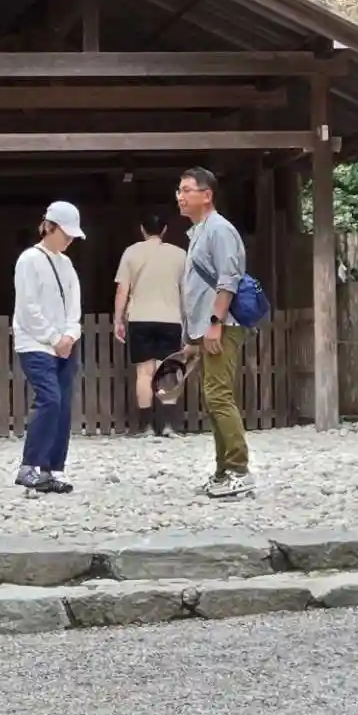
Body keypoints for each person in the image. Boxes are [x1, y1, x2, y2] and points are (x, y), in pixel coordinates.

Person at [176, 167, 252, 498]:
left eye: (186, 190)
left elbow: (228, 279)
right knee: (213, 398)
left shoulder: (219, 230)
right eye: (179, 190)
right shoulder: (200, 232)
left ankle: (239, 470)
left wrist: (215, 323)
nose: (180, 196)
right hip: (208, 328)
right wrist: (194, 337)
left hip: (222, 325)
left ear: (206, 195)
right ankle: (223, 472)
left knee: (219, 396)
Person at [13, 200, 84, 494]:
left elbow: (74, 305)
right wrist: (55, 338)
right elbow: (28, 308)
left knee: (63, 405)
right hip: (36, 344)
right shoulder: (29, 260)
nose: (69, 240)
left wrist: (69, 334)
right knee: (50, 399)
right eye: (66, 234)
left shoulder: (66, 264)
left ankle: (52, 469)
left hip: (65, 343)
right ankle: (29, 466)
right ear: (49, 227)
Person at [114, 210, 188, 437]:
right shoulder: (180, 255)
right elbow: (186, 290)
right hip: (170, 318)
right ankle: (168, 425)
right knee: (167, 372)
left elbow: (122, 289)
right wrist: (187, 320)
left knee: (144, 373)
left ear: (142, 229)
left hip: (140, 317)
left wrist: (118, 319)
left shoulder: (131, 252)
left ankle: (146, 427)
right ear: (165, 230)